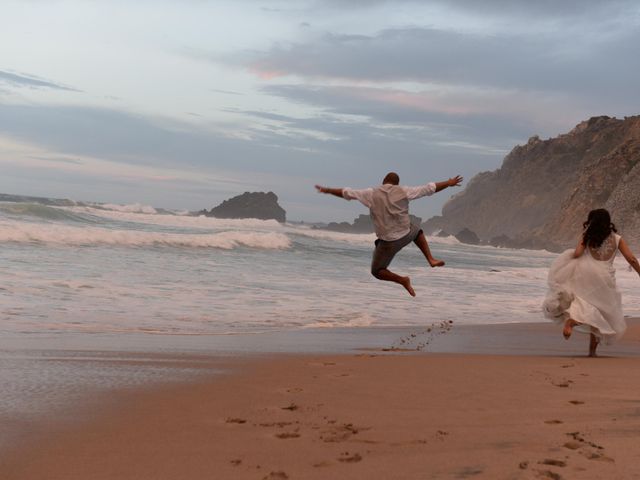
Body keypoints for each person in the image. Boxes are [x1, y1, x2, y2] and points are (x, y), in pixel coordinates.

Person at [315, 172, 463, 296]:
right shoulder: (404, 191)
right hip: (406, 234)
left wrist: (327, 190)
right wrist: (449, 182)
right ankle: (430, 259)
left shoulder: (370, 193)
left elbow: (346, 193)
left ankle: (402, 280)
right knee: (417, 230)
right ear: (396, 184)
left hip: (387, 243)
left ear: (383, 181)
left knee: (377, 271)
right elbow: (429, 188)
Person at [543, 208, 640, 357]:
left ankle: (575, 325)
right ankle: (585, 340)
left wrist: (583, 239)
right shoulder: (617, 238)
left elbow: (577, 254)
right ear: (608, 221)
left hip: (586, 274)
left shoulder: (587, 236)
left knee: (587, 307)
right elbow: (631, 258)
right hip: (605, 277)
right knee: (600, 312)